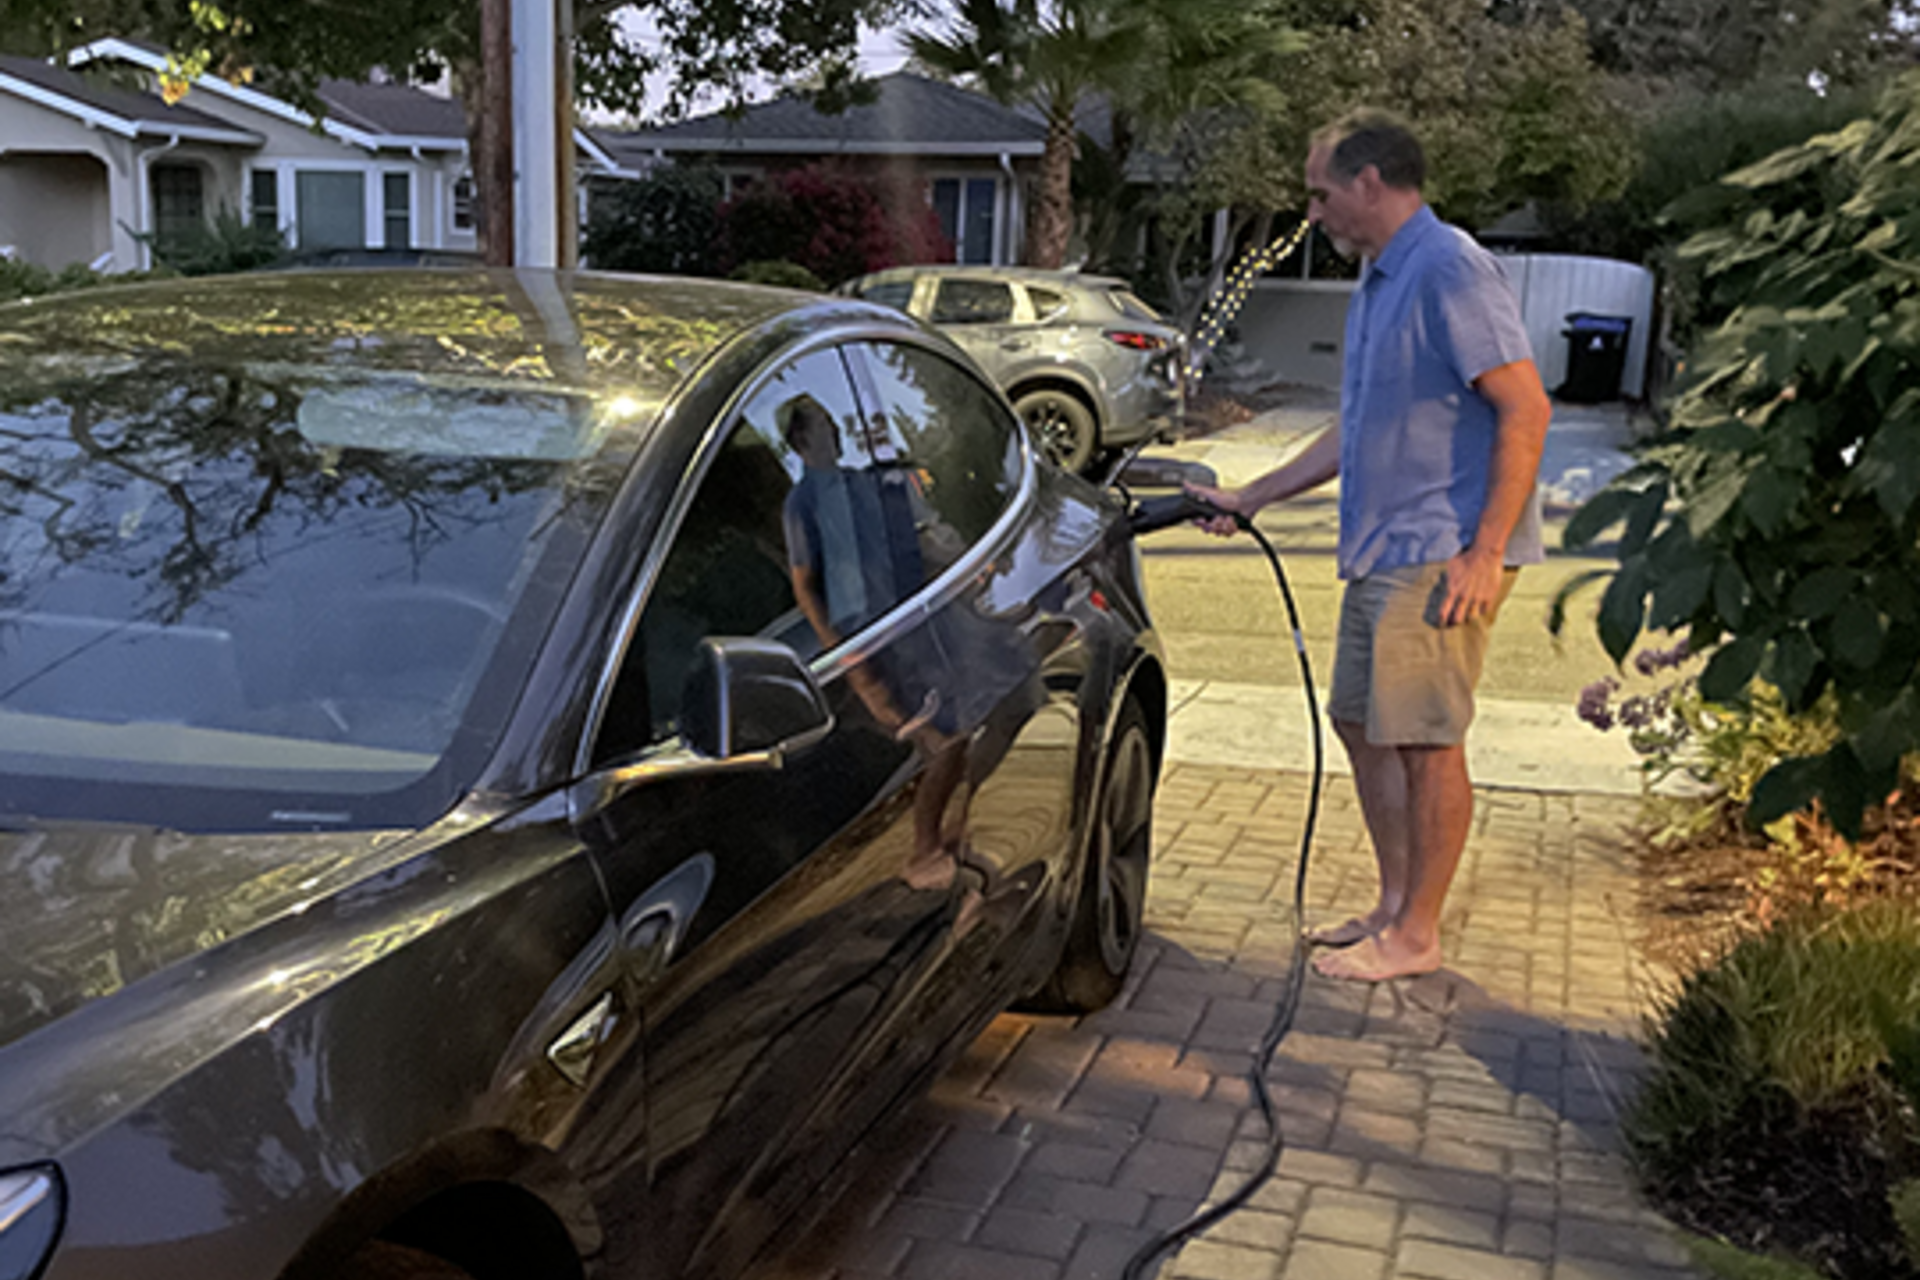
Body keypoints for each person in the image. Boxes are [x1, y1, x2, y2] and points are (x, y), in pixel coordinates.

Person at [1190, 109, 1552, 983]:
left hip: (1440, 552)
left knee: (1428, 742)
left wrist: (1484, 550)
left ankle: (1417, 937)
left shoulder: (1450, 269)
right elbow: (1354, 432)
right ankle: (1394, 907)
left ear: (1369, 183)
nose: (1313, 215)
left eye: (1320, 194)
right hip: (1384, 550)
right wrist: (1250, 497)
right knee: (1359, 722)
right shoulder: (1384, 281)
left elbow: (1527, 406)